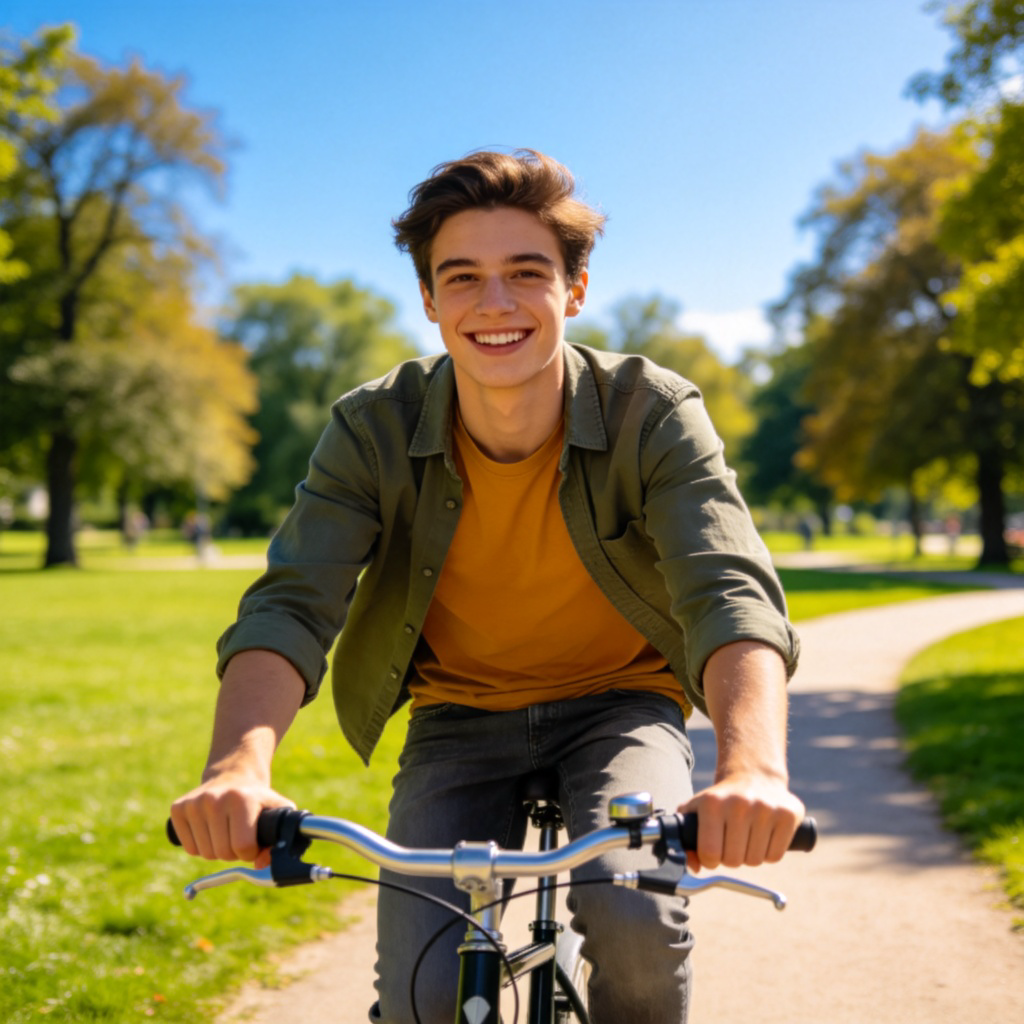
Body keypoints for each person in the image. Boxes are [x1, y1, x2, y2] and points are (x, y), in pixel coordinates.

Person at [170, 149, 804, 1024]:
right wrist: (237, 768)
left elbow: (729, 587)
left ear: (574, 290)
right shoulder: (371, 428)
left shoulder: (650, 412)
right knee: (426, 994)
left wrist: (754, 771)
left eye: (526, 273)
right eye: (461, 277)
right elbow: (292, 602)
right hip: (459, 717)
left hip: (619, 702)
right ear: (429, 301)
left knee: (632, 914)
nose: (494, 304)